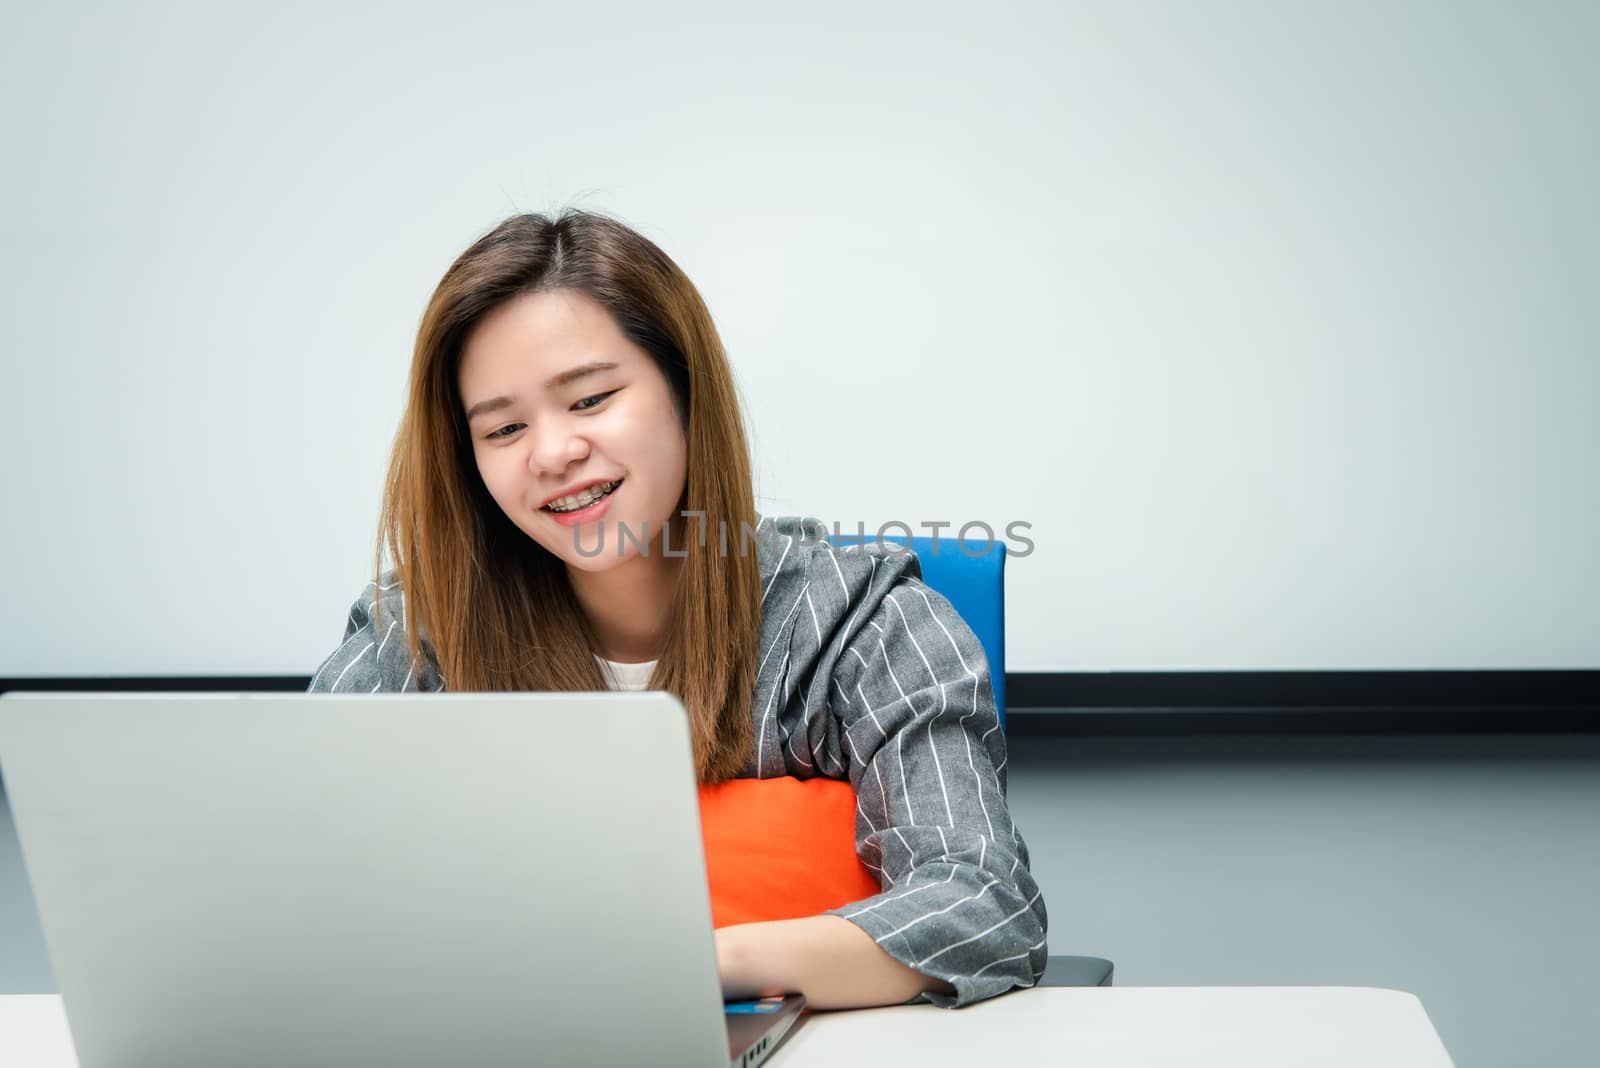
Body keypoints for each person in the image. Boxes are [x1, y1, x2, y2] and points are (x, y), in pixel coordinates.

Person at [307, 209, 1048, 1010]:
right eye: (505, 427)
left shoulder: (865, 624)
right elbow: (282, 873)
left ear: (686, 393)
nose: (552, 452)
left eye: (589, 400)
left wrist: (683, 966)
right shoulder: (413, 634)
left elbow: (984, 907)